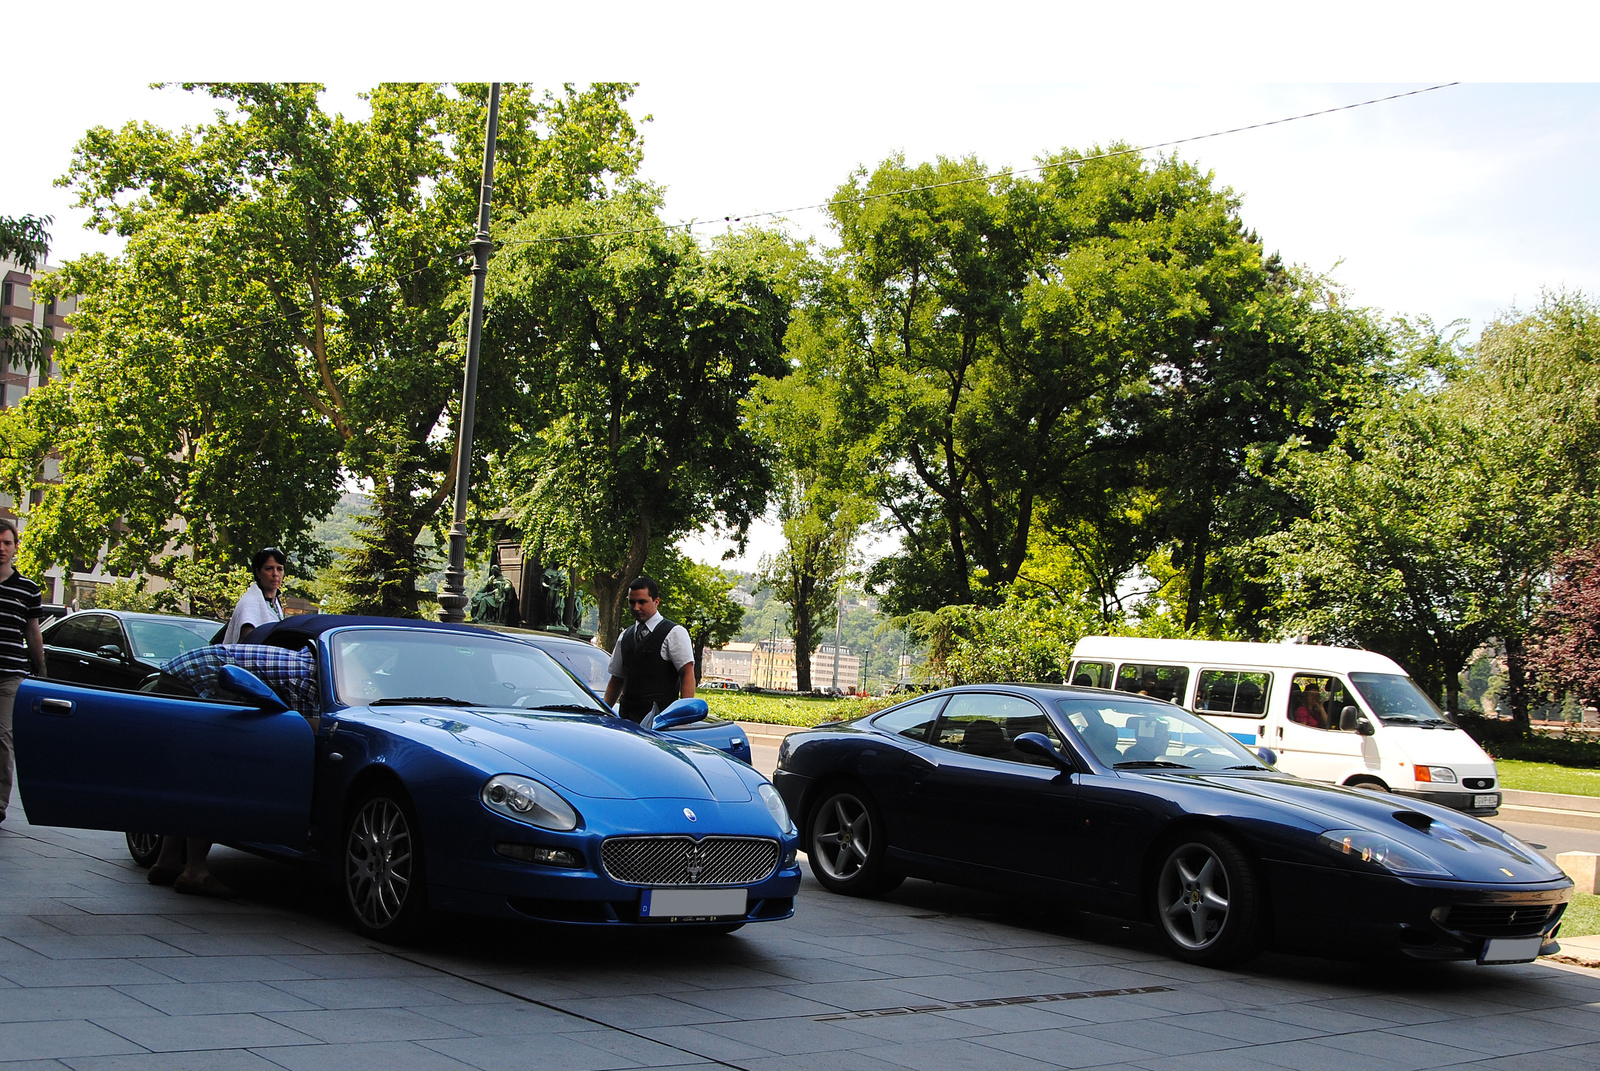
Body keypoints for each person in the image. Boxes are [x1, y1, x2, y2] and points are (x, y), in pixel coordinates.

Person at [144, 642, 319, 897]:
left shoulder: (304, 664)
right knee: (210, 776)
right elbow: (312, 729)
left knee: (193, 777)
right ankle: (194, 872)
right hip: (194, 678)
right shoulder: (308, 677)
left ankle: (168, 861)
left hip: (181, 671)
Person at [0, 519, 46, 825]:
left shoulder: (28, 588)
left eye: (7, 543)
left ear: (16, 548)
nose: (1, 549)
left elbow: (33, 632)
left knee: (3, 739)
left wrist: (41, 670)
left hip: (10, 675)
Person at [603, 576, 695, 724]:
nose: (636, 608)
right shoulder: (625, 636)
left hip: (660, 724)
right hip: (627, 723)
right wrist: (604, 712)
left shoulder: (674, 633)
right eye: (631, 602)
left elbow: (687, 674)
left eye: (642, 602)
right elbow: (616, 679)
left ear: (656, 601)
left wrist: (684, 717)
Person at [223, 547, 287, 644]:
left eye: (279, 569)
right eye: (269, 569)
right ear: (258, 572)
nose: (275, 574)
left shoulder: (274, 603)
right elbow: (250, 644)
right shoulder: (249, 603)